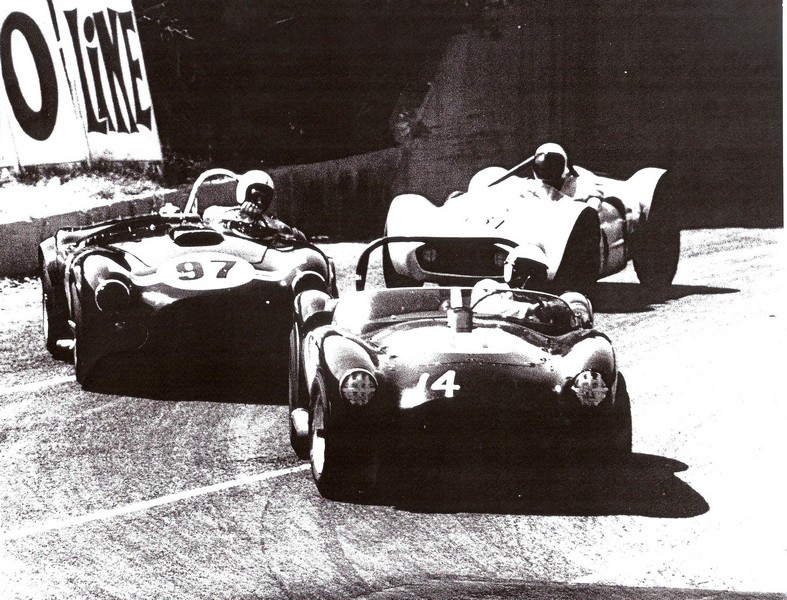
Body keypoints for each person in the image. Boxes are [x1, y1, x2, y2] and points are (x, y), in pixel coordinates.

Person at [204, 170, 305, 240]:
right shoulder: (223, 213)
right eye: (256, 196)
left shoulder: (270, 222)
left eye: (265, 198)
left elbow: (299, 236)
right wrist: (241, 217)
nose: (260, 202)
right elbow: (208, 216)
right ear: (245, 193)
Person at [527, 142, 603, 210]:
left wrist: (591, 204)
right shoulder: (535, 186)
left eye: (553, 165)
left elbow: (596, 195)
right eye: (543, 168)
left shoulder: (581, 178)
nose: (549, 170)